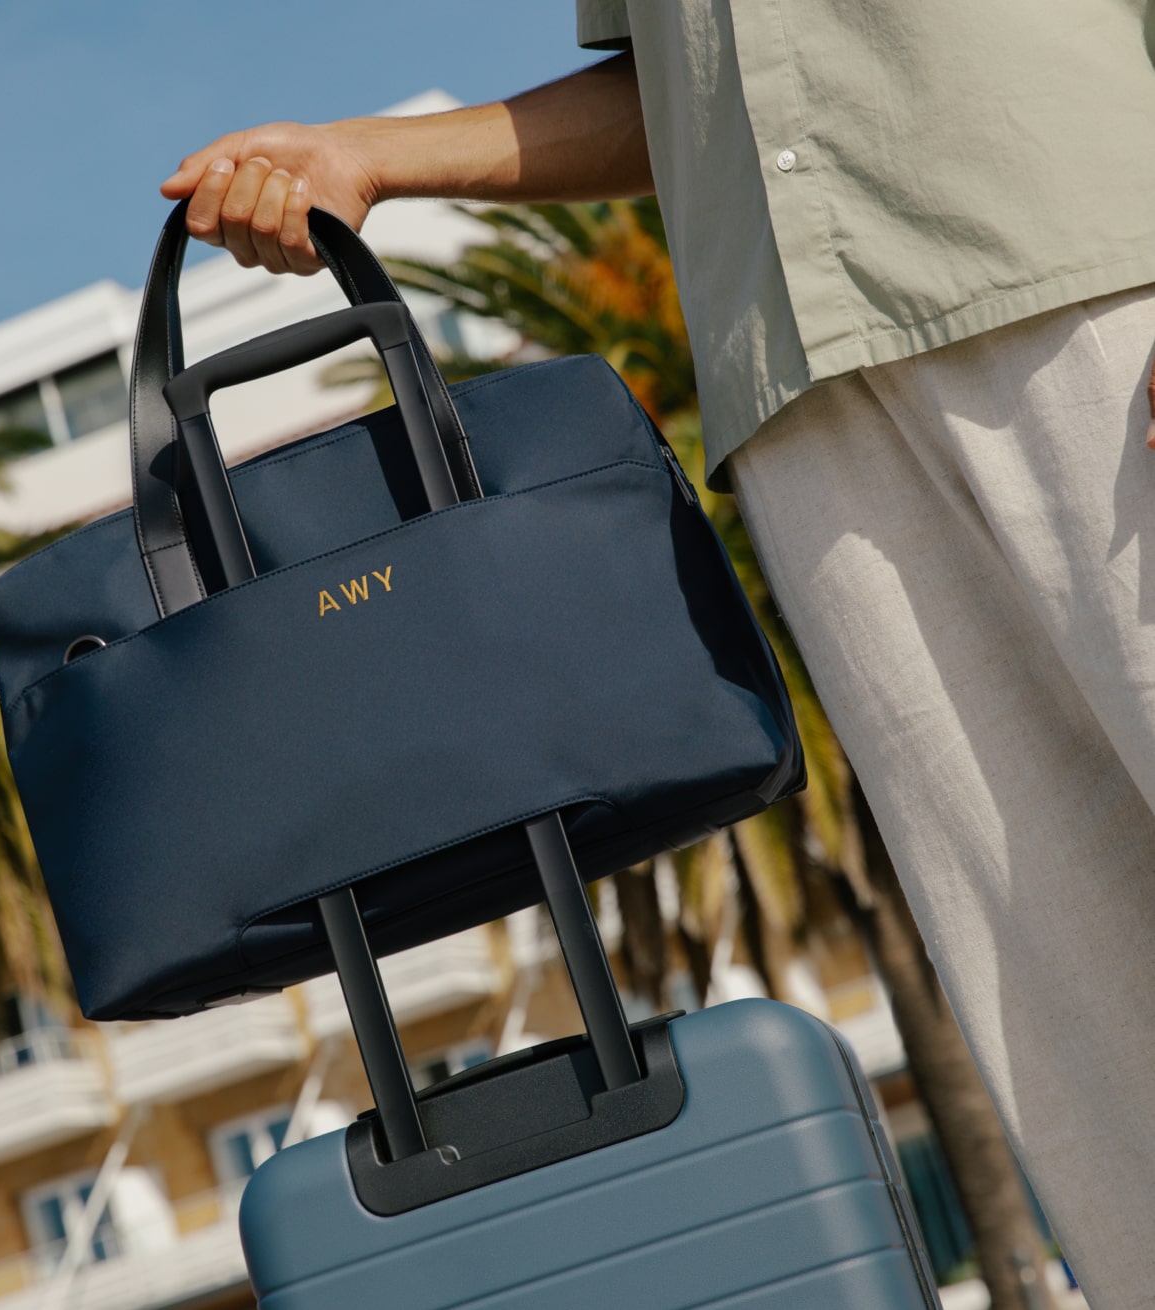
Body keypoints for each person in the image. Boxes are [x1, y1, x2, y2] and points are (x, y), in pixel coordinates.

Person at [161, 6, 1155, 1305]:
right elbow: (691, 97)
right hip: (806, 402)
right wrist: (368, 155)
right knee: (1063, 1000)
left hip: (1099, 277)